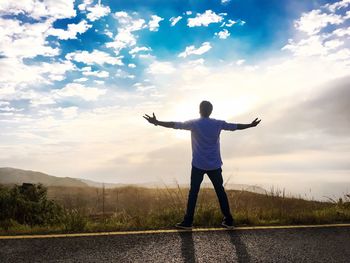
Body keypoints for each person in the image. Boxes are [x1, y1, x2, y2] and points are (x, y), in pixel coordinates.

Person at [143, 101, 261, 230]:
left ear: (199, 110)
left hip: (198, 165)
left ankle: (188, 222)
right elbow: (236, 126)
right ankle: (229, 220)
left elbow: (174, 125)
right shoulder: (218, 123)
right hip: (215, 165)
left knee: (193, 193)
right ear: (211, 111)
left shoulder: (194, 123)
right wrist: (250, 125)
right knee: (220, 192)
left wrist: (157, 122)